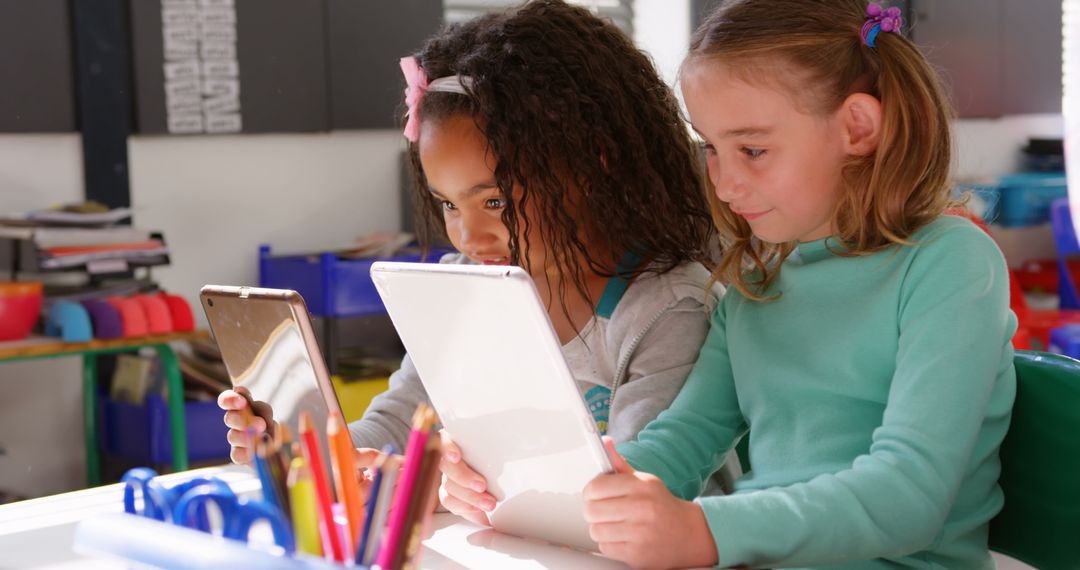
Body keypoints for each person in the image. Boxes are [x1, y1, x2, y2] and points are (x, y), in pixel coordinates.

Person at [219, 0, 723, 520]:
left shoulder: (663, 309)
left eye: (495, 202)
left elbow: (639, 490)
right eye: (448, 204)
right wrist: (312, 454)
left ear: (592, 166)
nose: (468, 235)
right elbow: (396, 425)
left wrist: (434, 482)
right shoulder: (462, 292)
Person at [577, 1, 1018, 568]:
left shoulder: (950, 261)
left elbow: (908, 496)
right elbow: (680, 442)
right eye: (712, 147)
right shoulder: (757, 284)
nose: (725, 182)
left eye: (753, 150)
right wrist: (550, 494)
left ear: (856, 128)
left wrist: (704, 530)